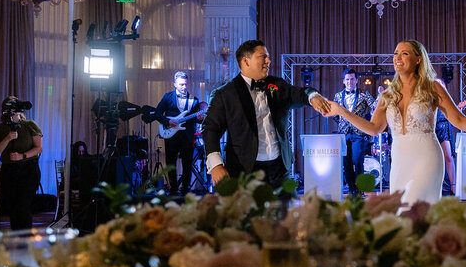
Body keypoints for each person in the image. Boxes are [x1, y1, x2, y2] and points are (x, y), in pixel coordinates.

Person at [325, 41, 466, 205]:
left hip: (427, 159)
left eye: (404, 53)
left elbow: (458, 120)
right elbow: (374, 129)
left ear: (418, 59)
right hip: (399, 163)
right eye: (396, 53)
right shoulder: (387, 95)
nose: (397, 57)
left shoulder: (433, 87)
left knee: (416, 211)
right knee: (405, 220)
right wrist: (342, 111)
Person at [203, 40, 329, 189]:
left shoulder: (278, 85)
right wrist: (216, 165)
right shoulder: (224, 94)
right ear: (246, 61)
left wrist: (313, 96)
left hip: (279, 168)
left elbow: (300, 93)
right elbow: (210, 129)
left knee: (283, 211)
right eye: (263, 56)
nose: (268, 60)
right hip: (243, 170)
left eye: (268, 57)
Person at [0, 96, 43, 231]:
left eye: (15, 106)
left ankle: (26, 241)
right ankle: (16, 239)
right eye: (10, 106)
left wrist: (22, 156)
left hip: (28, 170)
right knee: (13, 208)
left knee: (24, 206)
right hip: (9, 171)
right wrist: (7, 138)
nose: (13, 109)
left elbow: (39, 148)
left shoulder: (30, 125)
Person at [154, 71, 207, 195]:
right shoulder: (167, 97)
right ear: (174, 84)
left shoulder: (194, 100)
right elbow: (157, 113)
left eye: (186, 84)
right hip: (171, 134)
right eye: (181, 84)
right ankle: (173, 189)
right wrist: (168, 121)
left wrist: (200, 119)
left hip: (187, 136)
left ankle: (185, 189)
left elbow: (195, 120)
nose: (184, 87)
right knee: (171, 162)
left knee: (187, 164)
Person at [331, 70, 375, 195]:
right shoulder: (338, 96)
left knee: (357, 160)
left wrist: (381, 95)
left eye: (352, 79)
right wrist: (343, 124)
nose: (350, 82)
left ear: (356, 80)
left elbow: (374, 106)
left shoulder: (363, 94)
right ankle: (352, 189)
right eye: (347, 79)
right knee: (347, 162)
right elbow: (335, 115)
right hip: (344, 134)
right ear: (343, 81)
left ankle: (360, 188)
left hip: (359, 133)